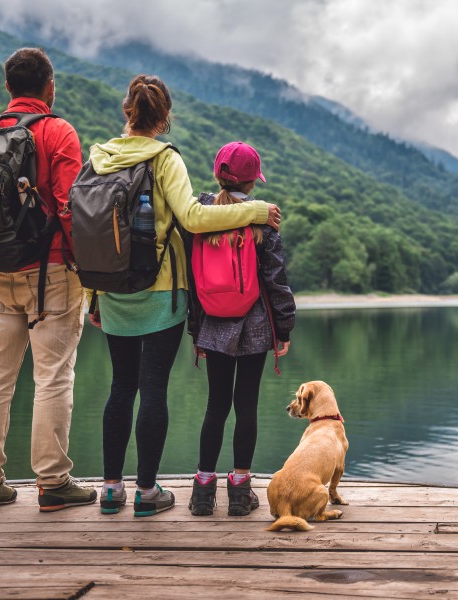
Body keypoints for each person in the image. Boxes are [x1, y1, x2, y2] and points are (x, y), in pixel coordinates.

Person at [89, 77, 283, 517]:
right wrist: (256, 210)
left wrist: (92, 295)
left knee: (121, 386)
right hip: (160, 292)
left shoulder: (100, 157)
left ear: (126, 111)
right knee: (153, 387)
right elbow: (193, 218)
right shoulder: (164, 158)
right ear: (165, 117)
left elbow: (91, 228)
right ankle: (146, 493)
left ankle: (112, 489)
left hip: (111, 289)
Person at [0, 48, 97, 512]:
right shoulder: (58, 130)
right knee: (52, 377)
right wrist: (84, 265)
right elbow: (69, 207)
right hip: (50, 271)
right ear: (50, 87)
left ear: (8, 87)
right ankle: (52, 483)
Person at [188, 141, 296, 518]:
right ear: (252, 182)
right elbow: (276, 281)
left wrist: (196, 331)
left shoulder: (200, 217)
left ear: (218, 175)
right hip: (255, 324)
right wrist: (284, 328)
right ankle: (239, 491)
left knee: (215, 405)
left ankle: (203, 492)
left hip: (214, 323)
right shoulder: (263, 220)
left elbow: (193, 280)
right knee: (246, 405)